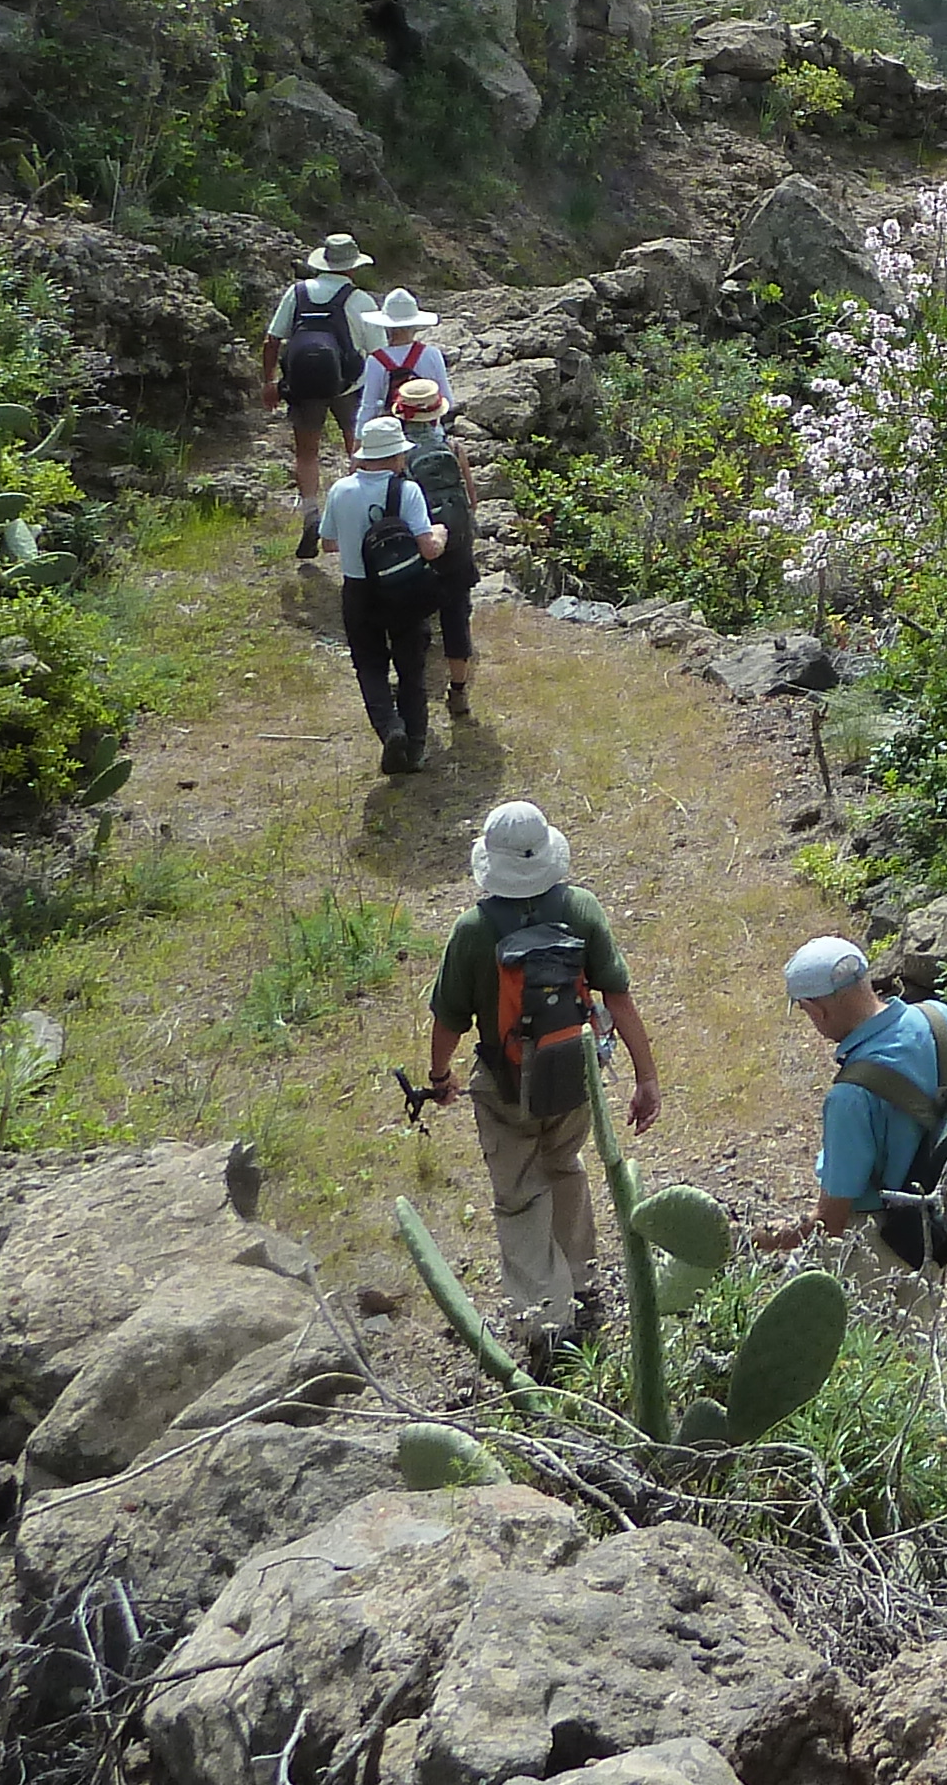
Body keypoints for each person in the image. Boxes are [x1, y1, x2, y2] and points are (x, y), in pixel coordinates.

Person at [424, 801, 662, 1363]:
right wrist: (646, 1078)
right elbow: (618, 998)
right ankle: (581, 1282)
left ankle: (547, 1324)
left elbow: (448, 1019)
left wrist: (439, 1077)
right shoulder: (580, 909)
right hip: (574, 1075)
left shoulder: (475, 930)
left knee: (518, 1196)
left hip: (505, 1085)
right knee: (565, 1166)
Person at [752, 935, 947, 1262]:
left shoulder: (850, 1096)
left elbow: (829, 1222)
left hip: (887, 1246)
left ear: (817, 1010)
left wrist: (760, 1237)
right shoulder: (939, 1018)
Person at [322, 414, 445, 774]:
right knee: (411, 669)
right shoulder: (407, 491)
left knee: (370, 667)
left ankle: (390, 728)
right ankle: (416, 749)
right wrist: (441, 533)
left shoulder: (340, 490)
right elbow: (428, 548)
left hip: (358, 589)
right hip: (403, 588)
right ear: (395, 457)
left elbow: (328, 543)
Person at [260, 236, 382, 561]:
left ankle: (312, 514)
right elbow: (380, 354)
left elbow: (272, 340)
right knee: (357, 449)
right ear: (353, 268)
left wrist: (269, 381)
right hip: (349, 386)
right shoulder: (360, 301)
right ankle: (355, 518)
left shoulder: (296, 293)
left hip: (302, 385)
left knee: (306, 453)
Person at [392, 375, 481, 726]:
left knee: (413, 617)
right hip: (457, 544)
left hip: (421, 542)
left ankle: (411, 685)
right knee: (456, 618)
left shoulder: (399, 456)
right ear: (436, 416)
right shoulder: (455, 449)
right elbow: (471, 500)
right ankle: (458, 691)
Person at [357, 288, 454, 431]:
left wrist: (359, 438)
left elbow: (369, 406)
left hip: (391, 433)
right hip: (430, 431)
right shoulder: (432, 354)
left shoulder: (375, 360)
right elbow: (447, 401)